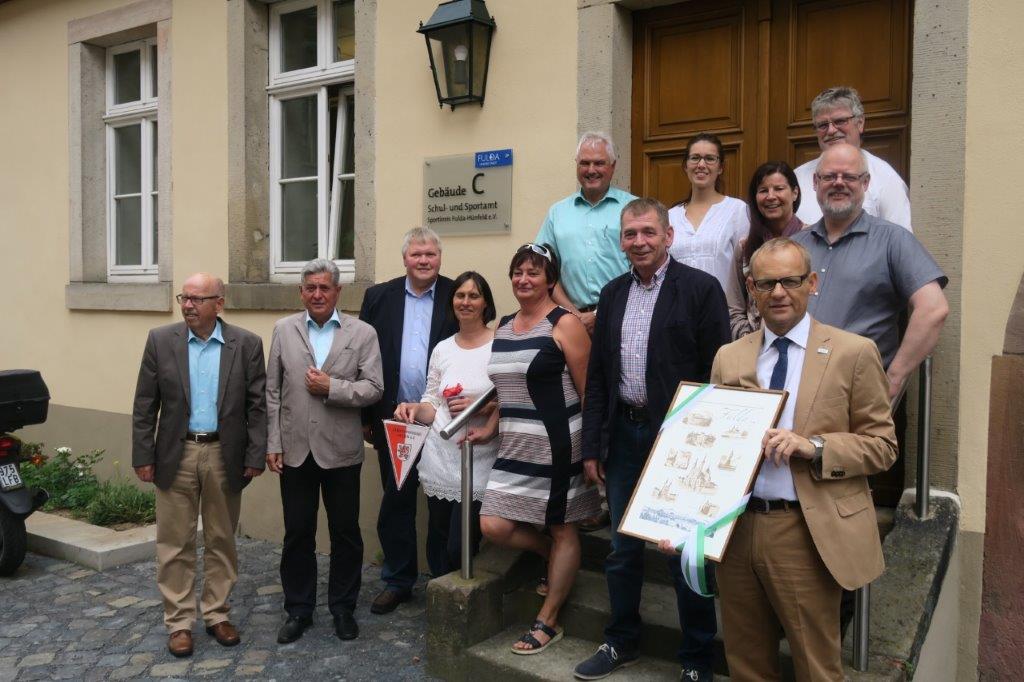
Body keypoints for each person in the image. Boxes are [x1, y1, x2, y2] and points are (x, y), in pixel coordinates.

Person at [667, 237, 898, 681]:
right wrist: (681, 518)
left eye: (791, 281)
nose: (778, 293)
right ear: (751, 287)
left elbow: (883, 446)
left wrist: (815, 447)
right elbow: (707, 449)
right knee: (747, 662)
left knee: (816, 665)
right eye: (767, 283)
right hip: (737, 530)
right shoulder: (729, 356)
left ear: (811, 283)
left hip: (804, 531)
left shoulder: (853, 352)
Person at [573, 199, 731, 682]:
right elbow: (599, 377)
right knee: (622, 548)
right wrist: (593, 446)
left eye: (647, 232)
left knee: (683, 551)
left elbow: (715, 374)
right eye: (629, 234)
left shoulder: (701, 290)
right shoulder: (613, 292)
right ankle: (622, 640)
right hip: (623, 433)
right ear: (620, 241)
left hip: (678, 440)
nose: (638, 242)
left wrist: (700, 445)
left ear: (668, 236)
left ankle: (697, 658)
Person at [466, 243, 600, 655]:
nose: (524, 280)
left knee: (563, 526)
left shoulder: (565, 324)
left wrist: (593, 448)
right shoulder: (504, 325)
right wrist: (491, 427)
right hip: (515, 445)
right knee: (493, 524)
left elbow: (589, 389)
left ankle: (549, 619)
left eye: (534, 273)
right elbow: (506, 389)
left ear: (549, 280)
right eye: (518, 272)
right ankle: (550, 555)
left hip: (559, 443)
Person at [132, 273, 267, 658]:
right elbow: (145, 404)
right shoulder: (161, 341)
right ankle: (178, 623)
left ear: (219, 303)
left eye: (197, 299)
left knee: (222, 539)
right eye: (184, 298)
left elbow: (258, 407)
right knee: (175, 541)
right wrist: (143, 454)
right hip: (177, 453)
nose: (188, 305)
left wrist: (255, 455)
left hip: (225, 455)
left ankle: (217, 613)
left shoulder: (246, 344)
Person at [266, 259, 384, 644]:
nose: (318, 294)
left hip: (341, 451)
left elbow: (374, 388)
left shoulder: (362, 333)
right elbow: (272, 392)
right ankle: (298, 610)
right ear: (301, 292)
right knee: (297, 533)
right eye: (310, 288)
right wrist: (273, 443)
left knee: (345, 532)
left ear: (338, 292)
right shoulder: (284, 330)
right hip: (296, 450)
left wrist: (333, 387)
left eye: (325, 288)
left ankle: (343, 608)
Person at [792, 142, 948, 402]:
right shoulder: (796, 245)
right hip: (797, 388)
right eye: (829, 176)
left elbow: (933, 309)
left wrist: (893, 380)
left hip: (859, 393)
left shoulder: (893, 240)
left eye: (849, 177)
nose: (838, 183)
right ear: (816, 183)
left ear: (865, 183)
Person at [359, 227, 458, 614]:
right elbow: (364, 361)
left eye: (430, 254)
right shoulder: (378, 297)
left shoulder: (458, 295)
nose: (423, 261)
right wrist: (367, 418)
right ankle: (398, 580)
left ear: (439, 258)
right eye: (417, 254)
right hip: (394, 421)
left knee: (440, 504)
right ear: (405, 259)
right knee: (396, 501)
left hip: (441, 422)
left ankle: (442, 581)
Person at [393, 271, 499, 577]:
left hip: (478, 458)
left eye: (473, 296)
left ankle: (463, 600)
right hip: (440, 456)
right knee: (437, 538)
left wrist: (483, 406)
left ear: (485, 303)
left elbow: (512, 398)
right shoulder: (442, 348)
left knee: (460, 544)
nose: (465, 302)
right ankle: (440, 597)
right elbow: (432, 402)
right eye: (460, 295)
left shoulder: (500, 344)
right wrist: (413, 409)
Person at [536, 131, 637, 336]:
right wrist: (573, 314)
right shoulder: (557, 212)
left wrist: (598, 314)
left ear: (613, 166)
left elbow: (643, 267)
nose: (591, 170)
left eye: (599, 163)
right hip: (570, 322)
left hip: (622, 315)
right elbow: (543, 267)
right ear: (576, 165)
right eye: (584, 163)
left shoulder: (633, 207)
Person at [794, 86, 912, 231]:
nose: (831, 130)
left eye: (840, 121)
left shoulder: (885, 178)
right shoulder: (797, 178)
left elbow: (900, 240)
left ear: (860, 123)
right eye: (823, 125)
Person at [727, 161, 805, 339]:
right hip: (755, 349)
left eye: (778, 189)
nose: (771, 196)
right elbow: (734, 307)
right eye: (763, 190)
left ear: (794, 192)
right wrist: (751, 339)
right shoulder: (745, 247)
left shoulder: (812, 241)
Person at [667, 133, 750, 295]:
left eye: (710, 158)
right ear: (685, 166)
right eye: (695, 158)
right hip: (675, 312)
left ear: (720, 167)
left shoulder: (737, 210)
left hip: (722, 312)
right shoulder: (670, 216)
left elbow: (746, 267)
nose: (701, 164)